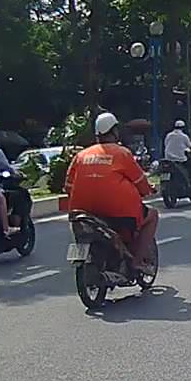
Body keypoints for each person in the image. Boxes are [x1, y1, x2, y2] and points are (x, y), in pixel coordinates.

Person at [65, 113, 159, 270]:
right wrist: (148, 190)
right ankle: (137, 261)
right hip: (119, 213)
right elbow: (140, 182)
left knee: (80, 236)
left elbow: (68, 186)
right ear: (114, 131)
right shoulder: (122, 153)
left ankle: (83, 259)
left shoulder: (81, 155)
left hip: (81, 212)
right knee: (153, 215)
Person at [163, 119, 191, 188]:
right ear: (183, 128)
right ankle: (190, 183)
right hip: (180, 159)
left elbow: (166, 144)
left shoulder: (168, 135)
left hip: (168, 158)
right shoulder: (184, 136)